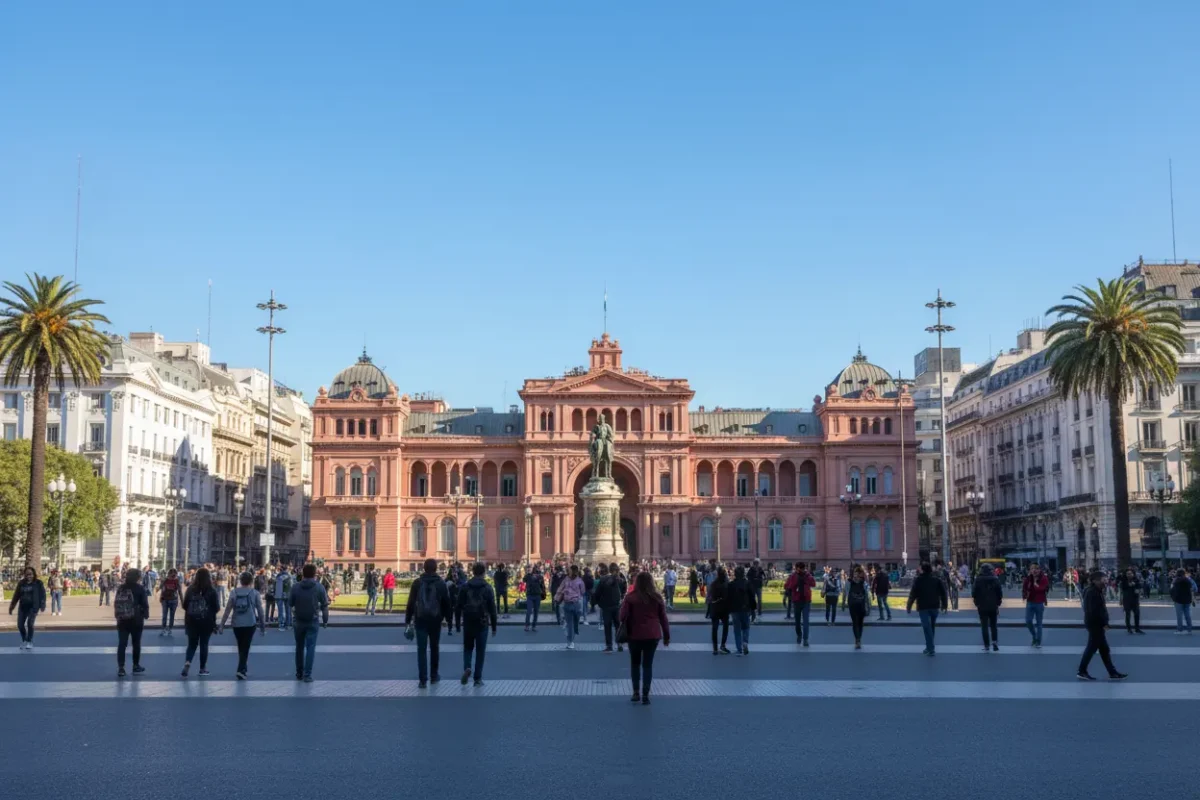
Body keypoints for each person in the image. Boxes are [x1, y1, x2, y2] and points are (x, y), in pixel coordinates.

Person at [619, 570, 671, 705]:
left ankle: (636, 692)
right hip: (652, 635)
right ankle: (646, 695)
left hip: (634, 634)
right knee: (647, 665)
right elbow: (663, 619)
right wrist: (666, 636)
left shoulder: (630, 597)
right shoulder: (657, 597)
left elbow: (622, 617)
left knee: (635, 664)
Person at [405, 558, 451, 688]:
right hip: (436, 620)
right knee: (434, 648)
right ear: (436, 568)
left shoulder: (417, 583)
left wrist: (408, 620)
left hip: (420, 620)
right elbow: (447, 603)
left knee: (421, 650)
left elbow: (411, 603)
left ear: (423, 568)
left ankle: (422, 679)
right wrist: (449, 620)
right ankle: (434, 676)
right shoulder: (441, 583)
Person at [1078, 570, 1127, 681]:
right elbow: (1093, 611)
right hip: (1095, 625)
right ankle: (1082, 671)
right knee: (1091, 648)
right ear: (1095, 581)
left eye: (1106, 579)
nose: (1106, 581)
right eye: (1104, 580)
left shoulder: (1096, 590)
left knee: (1104, 649)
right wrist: (1104, 624)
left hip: (1095, 624)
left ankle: (1112, 672)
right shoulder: (1092, 592)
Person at [219, 571, 265, 679]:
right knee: (246, 646)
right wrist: (262, 626)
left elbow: (227, 610)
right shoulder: (255, 593)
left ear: (240, 580)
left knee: (241, 646)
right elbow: (260, 611)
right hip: (250, 623)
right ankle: (241, 669)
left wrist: (222, 625)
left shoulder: (234, 592)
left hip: (236, 623)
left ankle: (243, 667)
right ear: (251, 581)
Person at [289, 563, 330, 682]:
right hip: (313, 620)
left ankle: (299, 673)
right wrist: (325, 621)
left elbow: (290, 603)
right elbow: (325, 606)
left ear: (303, 574)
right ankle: (307, 675)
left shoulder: (295, 587)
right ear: (314, 574)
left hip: (298, 620)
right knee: (311, 647)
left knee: (299, 647)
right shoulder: (319, 587)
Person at [458, 562, 498, 686]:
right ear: (484, 572)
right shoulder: (487, 587)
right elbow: (492, 609)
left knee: (468, 648)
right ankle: (477, 678)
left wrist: (457, 624)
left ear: (473, 572)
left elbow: (458, 606)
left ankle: (467, 667)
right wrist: (494, 627)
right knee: (481, 651)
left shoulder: (465, 587)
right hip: (482, 622)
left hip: (469, 622)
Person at [179, 567, 219, 678]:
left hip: (191, 621)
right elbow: (216, 608)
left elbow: (185, 605)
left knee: (191, 644)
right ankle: (202, 668)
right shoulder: (211, 590)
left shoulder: (191, 589)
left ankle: (187, 662)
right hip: (207, 621)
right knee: (204, 644)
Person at [113, 567, 150, 677]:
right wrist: (146, 614)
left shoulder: (121, 588)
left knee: (122, 644)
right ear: (137, 577)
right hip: (136, 619)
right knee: (136, 643)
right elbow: (144, 604)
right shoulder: (140, 588)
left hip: (122, 620)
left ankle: (121, 668)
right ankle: (135, 665)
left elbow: (116, 602)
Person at [906, 562, 948, 656]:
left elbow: (913, 594)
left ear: (923, 570)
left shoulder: (918, 580)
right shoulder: (936, 580)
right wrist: (944, 605)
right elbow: (943, 593)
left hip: (923, 607)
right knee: (931, 627)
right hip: (934, 606)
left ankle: (930, 647)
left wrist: (909, 606)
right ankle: (929, 646)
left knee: (926, 627)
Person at [8, 567, 46, 650]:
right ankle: (24, 639)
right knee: (20, 625)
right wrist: (12, 607)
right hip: (23, 606)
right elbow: (16, 595)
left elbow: (43, 594)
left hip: (33, 607)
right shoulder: (21, 583)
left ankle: (29, 641)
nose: (29, 576)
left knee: (30, 623)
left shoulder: (38, 583)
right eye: (27, 574)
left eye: (31, 574)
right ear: (24, 575)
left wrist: (42, 604)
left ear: (34, 574)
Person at [971, 563, 1003, 652]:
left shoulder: (978, 580)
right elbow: (999, 592)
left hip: (982, 606)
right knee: (993, 625)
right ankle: (995, 642)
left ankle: (986, 645)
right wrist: (998, 602)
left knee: (984, 626)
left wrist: (976, 602)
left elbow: (973, 593)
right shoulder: (995, 579)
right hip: (993, 605)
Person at [726, 565, 757, 655]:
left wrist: (728, 610)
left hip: (735, 609)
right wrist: (753, 609)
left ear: (735, 574)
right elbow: (752, 597)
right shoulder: (748, 584)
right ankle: (745, 642)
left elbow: (728, 599)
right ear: (744, 574)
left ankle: (739, 649)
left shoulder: (731, 585)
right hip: (746, 608)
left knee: (737, 630)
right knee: (746, 627)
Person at [554, 564, 586, 650]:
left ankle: (571, 638)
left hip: (572, 603)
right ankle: (571, 641)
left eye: (569, 570)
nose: (568, 571)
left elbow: (582, 591)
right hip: (572, 604)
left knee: (573, 623)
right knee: (572, 624)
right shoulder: (573, 580)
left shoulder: (573, 580)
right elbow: (582, 592)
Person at [592, 563, 622, 652]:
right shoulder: (619, 579)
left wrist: (596, 602)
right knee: (618, 625)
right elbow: (623, 590)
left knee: (607, 626)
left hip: (606, 606)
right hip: (617, 605)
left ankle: (609, 645)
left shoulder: (603, 580)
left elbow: (598, 593)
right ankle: (619, 643)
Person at [784, 563, 816, 646]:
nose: (799, 570)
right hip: (797, 601)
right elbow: (787, 586)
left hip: (806, 601)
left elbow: (813, 584)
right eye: (797, 569)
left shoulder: (807, 575)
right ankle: (799, 635)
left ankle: (805, 639)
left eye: (801, 569)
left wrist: (807, 578)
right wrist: (794, 582)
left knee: (806, 621)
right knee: (797, 622)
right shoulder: (793, 576)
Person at [1022, 564, 1049, 648]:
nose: (1034, 570)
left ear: (1040, 570)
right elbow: (1024, 588)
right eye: (1032, 568)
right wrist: (1024, 595)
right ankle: (1034, 635)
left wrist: (1035, 584)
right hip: (1030, 602)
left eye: (1036, 569)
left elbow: (1042, 588)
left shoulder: (1044, 578)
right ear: (1030, 570)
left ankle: (1038, 641)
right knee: (1028, 621)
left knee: (1039, 623)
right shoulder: (1028, 578)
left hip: (1039, 602)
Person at [846, 565, 870, 649]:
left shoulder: (864, 583)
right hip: (853, 605)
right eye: (855, 574)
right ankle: (857, 639)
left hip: (861, 605)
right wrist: (843, 603)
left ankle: (858, 639)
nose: (856, 576)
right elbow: (846, 592)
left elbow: (867, 596)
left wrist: (867, 607)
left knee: (860, 623)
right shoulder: (849, 582)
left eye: (858, 574)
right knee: (855, 622)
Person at [708, 566, 731, 655]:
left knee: (715, 628)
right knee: (725, 627)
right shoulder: (726, 584)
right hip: (724, 608)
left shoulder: (714, 584)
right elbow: (729, 597)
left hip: (715, 607)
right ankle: (722, 645)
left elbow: (710, 597)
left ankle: (715, 648)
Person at [1117, 567, 1144, 634]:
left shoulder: (1136, 580)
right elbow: (1121, 591)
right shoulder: (1123, 581)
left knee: (1137, 614)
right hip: (1126, 600)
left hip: (1135, 599)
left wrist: (1138, 591)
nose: (1129, 575)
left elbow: (1140, 588)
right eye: (1127, 574)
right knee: (1128, 615)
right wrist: (1120, 600)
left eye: (1130, 573)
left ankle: (1137, 628)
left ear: (1133, 574)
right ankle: (1129, 628)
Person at [158, 568, 182, 636]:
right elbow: (160, 588)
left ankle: (170, 629)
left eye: (174, 574)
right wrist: (163, 581)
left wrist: (182, 601)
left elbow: (180, 591)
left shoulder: (177, 581)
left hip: (174, 600)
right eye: (171, 574)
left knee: (172, 615)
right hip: (165, 600)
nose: (173, 576)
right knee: (164, 615)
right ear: (168, 574)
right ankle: (163, 629)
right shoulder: (165, 580)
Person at [1170, 568, 1194, 634]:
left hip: (1178, 600)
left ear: (1177, 573)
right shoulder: (1188, 580)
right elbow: (1191, 589)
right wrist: (1192, 599)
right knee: (1187, 615)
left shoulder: (1176, 581)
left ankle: (1180, 629)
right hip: (1187, 600)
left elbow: (1172, 590)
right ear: (1184, 573)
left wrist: (1173, 598)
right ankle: (1189, 629)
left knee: (1179, 616)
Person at [523, 566, 545, 632]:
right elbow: (524, 580)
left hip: (537, 595)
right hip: (530, 595)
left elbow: (542, 585)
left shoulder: (540, 577)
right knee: (529, 611)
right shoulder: (528, 576)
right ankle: (527, 626)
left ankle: (533, 626)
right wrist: (528, 573)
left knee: (536, 611)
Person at [747, 559, 765, 623]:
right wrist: (753, 579)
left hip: (759, 586)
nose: (757, 565)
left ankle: (759, 611)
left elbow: (763, 575)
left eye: (757, 564)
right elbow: (748, 576)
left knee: (759, 599)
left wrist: (762, 579)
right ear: (754, 564)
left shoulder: (760, 569)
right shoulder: (751, 569)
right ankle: (753, 612)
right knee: (753, 599)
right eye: (756, 564)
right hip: (753, 586)